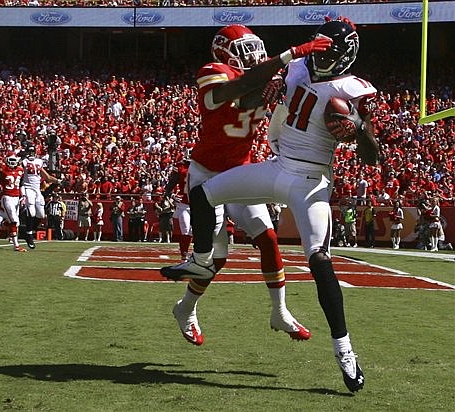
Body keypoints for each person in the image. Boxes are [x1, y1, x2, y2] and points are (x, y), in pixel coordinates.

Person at [161, 18, 376, 392]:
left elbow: (371, 156)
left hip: (309, 183)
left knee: (318, 261)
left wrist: (358, 131)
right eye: (318, 45)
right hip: (273, 168)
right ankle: (197, 269)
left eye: (329, 49)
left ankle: (344, 351)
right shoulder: (292, 66)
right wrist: (280, 72)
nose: (321, 55)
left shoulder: (353, 88)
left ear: (345, 55)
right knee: (204, 197)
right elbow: (247, 96)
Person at [162, 24, 329, 348]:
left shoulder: (259, 77)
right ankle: (186, 309)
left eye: (254, 47)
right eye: (244, 48)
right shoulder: (213, 72)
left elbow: (256, 93)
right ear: (224, 51)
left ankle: (280, 311)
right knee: (216, 258)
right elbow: (232, 93)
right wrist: (290, 55)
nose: (252, 54)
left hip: (240, 172)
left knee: (267, 238)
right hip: (208, 174)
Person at [21, 143, 62, 249]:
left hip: (37, 190)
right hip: (28, 188)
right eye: (29, 152)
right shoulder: (23, 162)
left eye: (32, 152)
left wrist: (59, 181)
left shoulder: (38, 162)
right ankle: (29, 234)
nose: (31, 154)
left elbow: (47, 177)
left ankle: (28, 231)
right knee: (32, 211)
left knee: (41, 215)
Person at [0, 153, 26, 252]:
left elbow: (22, 184)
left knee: (16, 222)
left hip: (16, 198)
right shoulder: (3, 169)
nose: (12, 162)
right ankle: (16, 245)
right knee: (14, 221)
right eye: (10, 160)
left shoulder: (20, 170)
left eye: (14, 160)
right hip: (7, 197)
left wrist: (23, 196)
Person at [165, 157, 192, 259]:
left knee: (192, 231)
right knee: (185, 229)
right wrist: (171, 194)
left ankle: (193, 254)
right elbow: (172, 182)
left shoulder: (202, 166)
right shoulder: (180, 166)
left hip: (197, 203)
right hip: (184, 204)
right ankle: (184, 254)